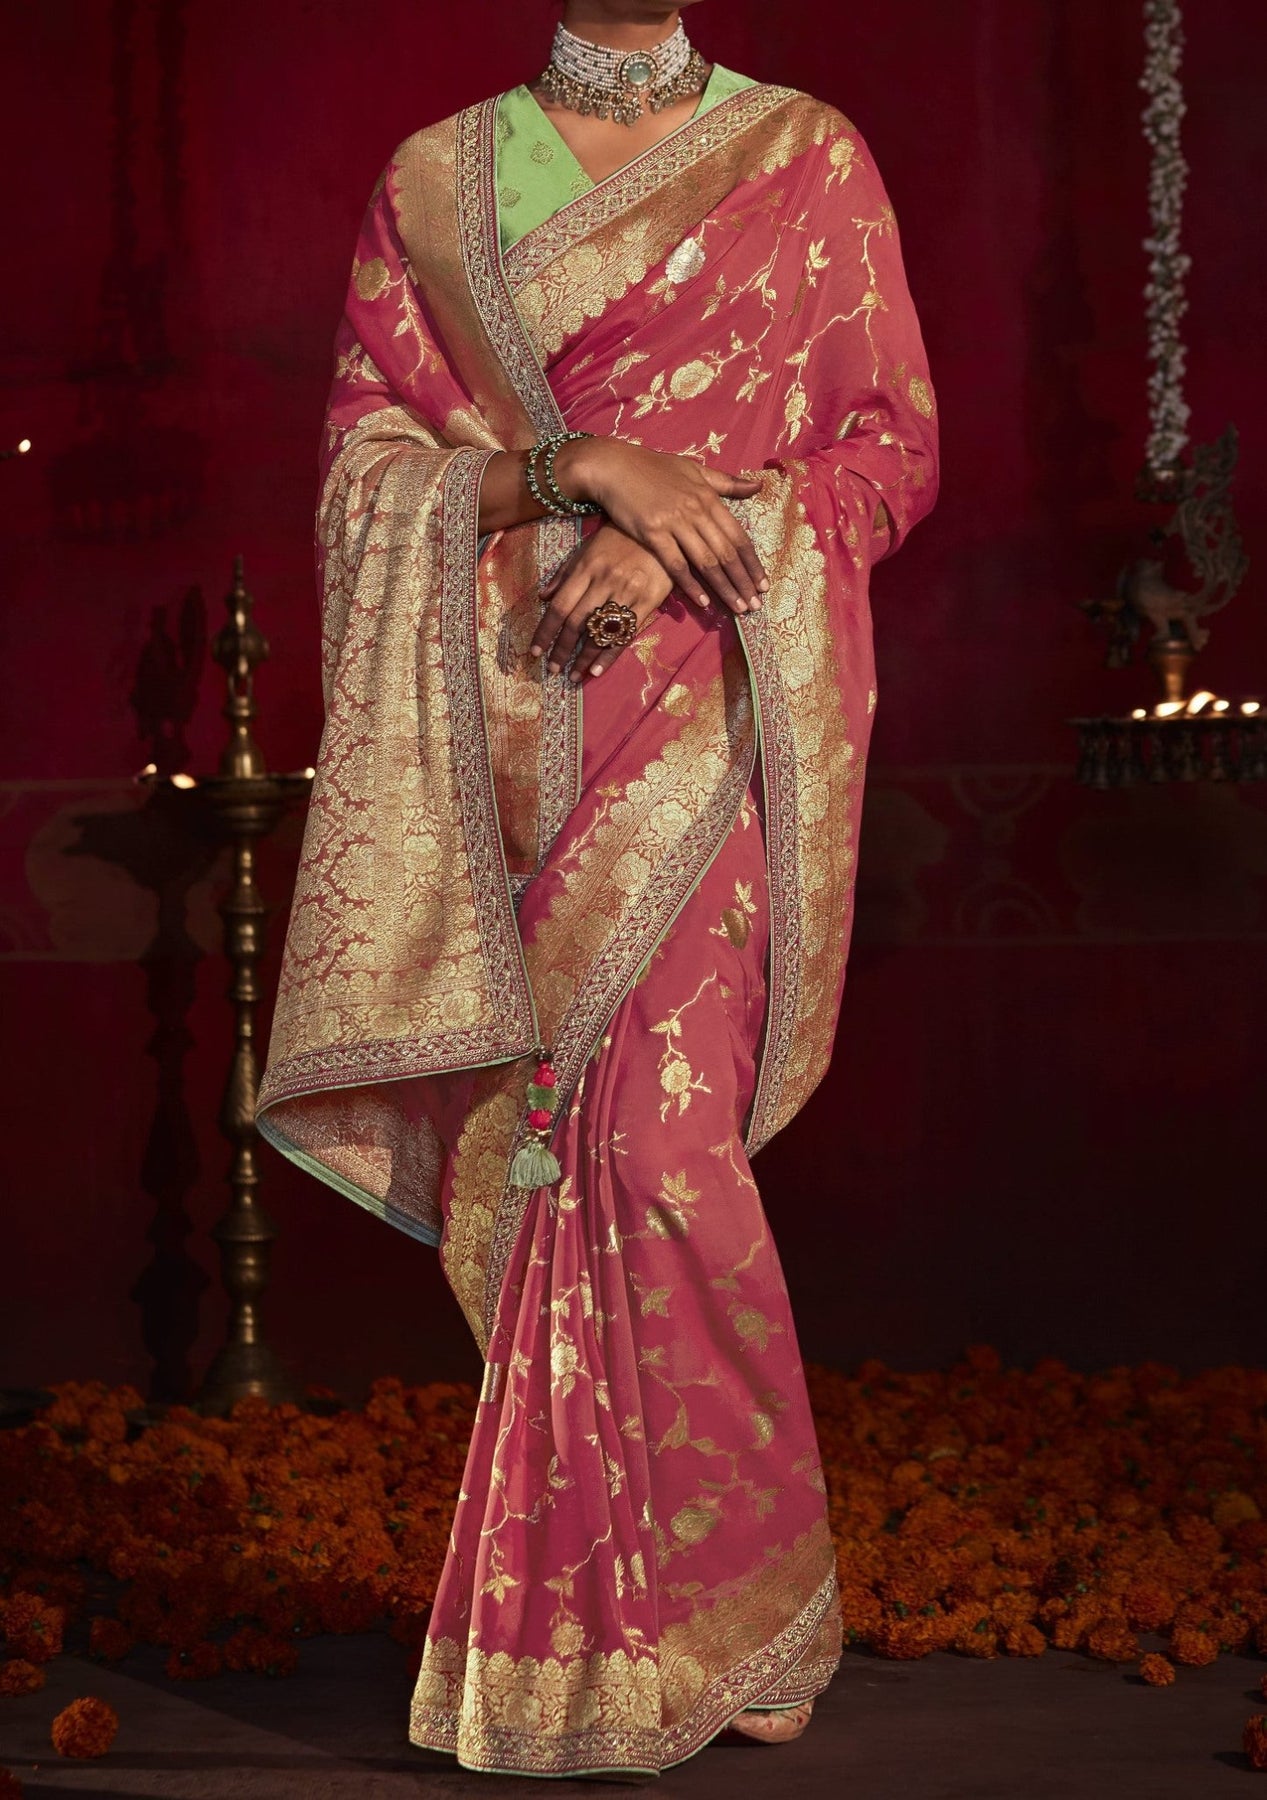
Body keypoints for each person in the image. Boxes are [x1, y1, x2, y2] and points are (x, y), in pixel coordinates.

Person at [257, 0, 938, 1779]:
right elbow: (365, 478)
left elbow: (886, 454)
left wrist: (685, 534)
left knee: (652, 1146)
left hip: (711, 723)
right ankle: (592, 1627)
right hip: (502, 739)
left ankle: (744, 1602)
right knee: (535, 1151)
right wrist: (581, 468)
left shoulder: (803, 156)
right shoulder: (437, 180)